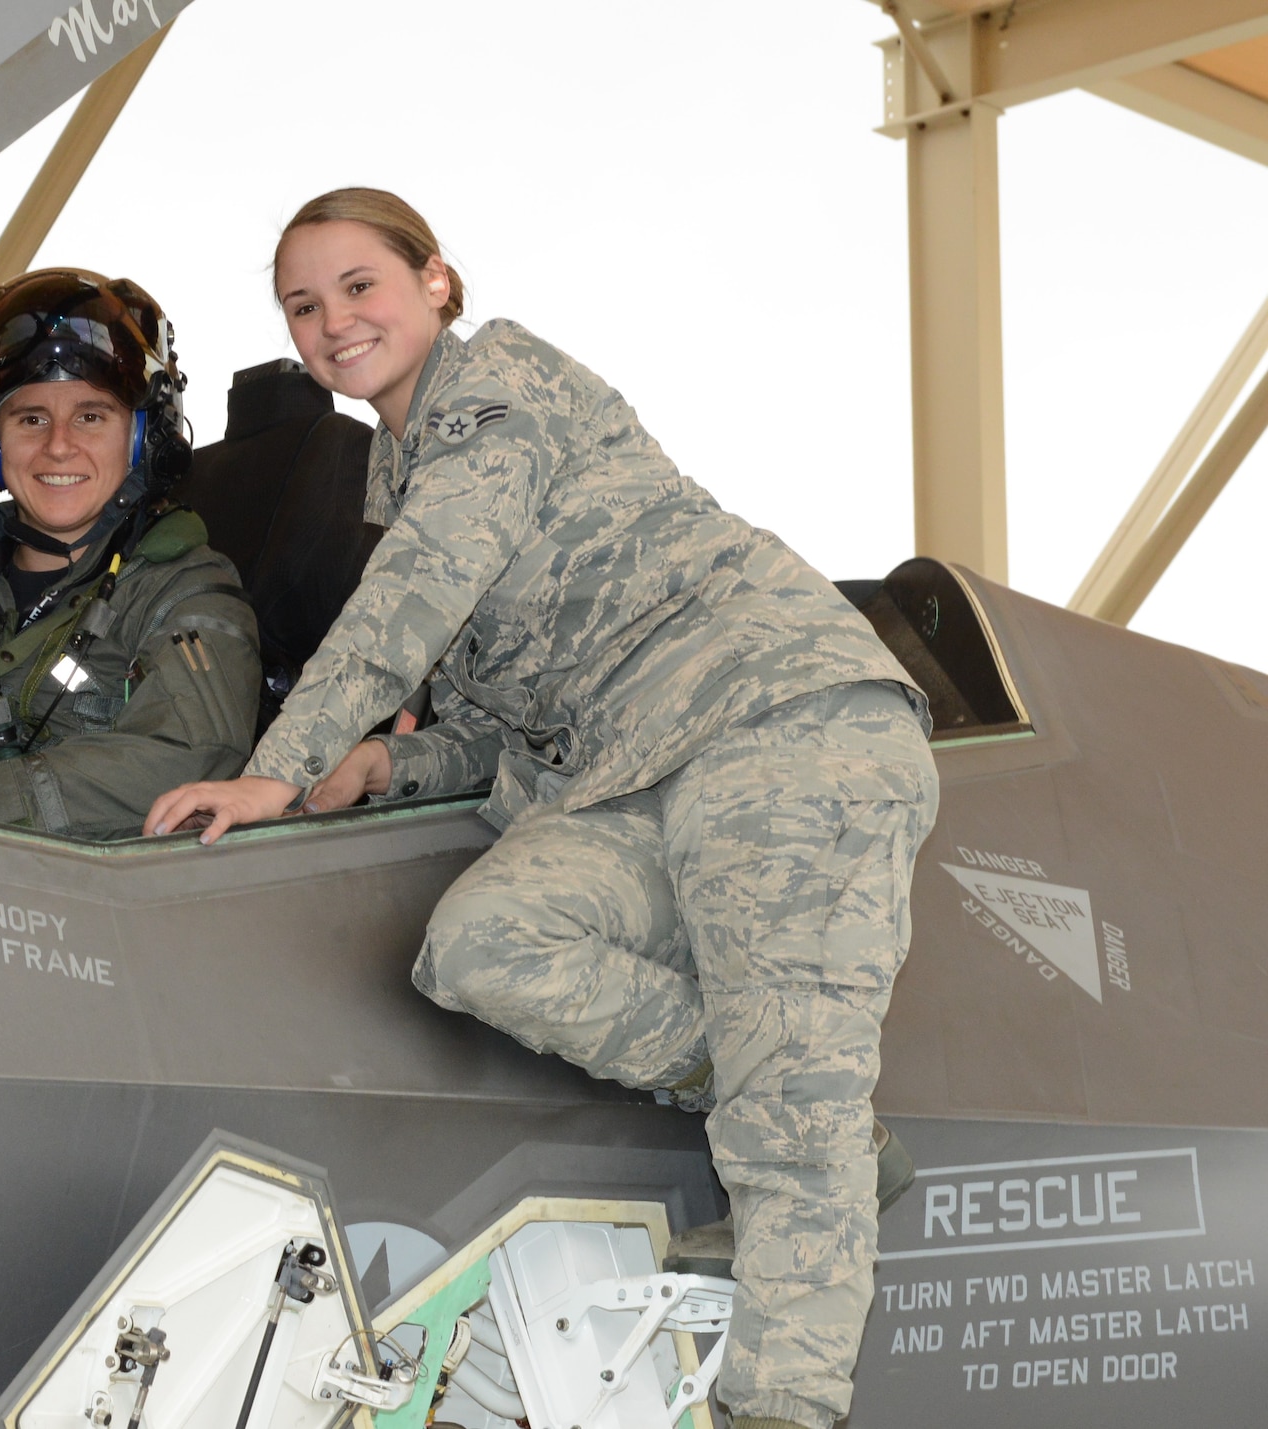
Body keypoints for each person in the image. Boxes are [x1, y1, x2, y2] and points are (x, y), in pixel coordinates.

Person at [144, 190, 938, 1429]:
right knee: (483, 942)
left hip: (776, 725)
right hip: (626, 776)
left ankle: (779, 1401)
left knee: (793, 1131)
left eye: (359, 284)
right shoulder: (397, 482)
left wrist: (282, 765)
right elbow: (489, 725)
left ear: (436, 283)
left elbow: (421, 588)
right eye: (302, 304)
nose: (333, 320)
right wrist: (378, 770)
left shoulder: (498, 390)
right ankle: (800, 1098)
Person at [0, 269, 260, 840]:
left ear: (145, 437)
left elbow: (191, 755)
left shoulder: (186, 592)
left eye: (91, 416)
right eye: (31, 419)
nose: (58, 445)